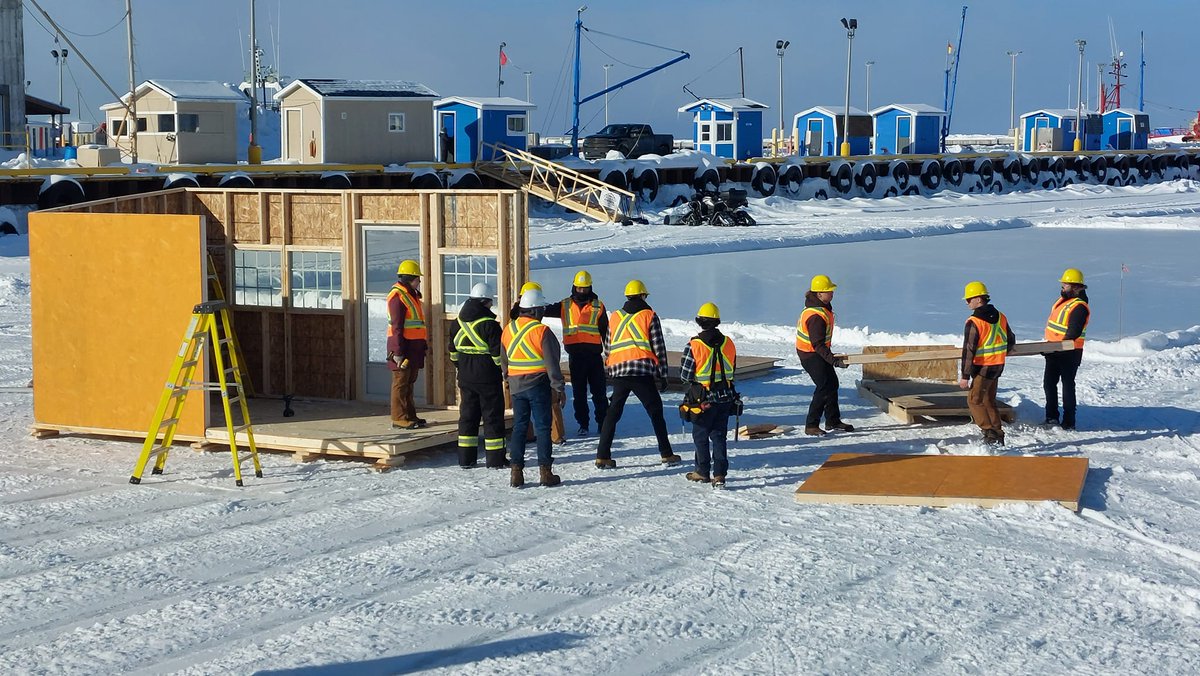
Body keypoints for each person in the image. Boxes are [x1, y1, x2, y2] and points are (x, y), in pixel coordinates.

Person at [594, 280, 680, 469]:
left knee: (613, 413)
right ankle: (666, 453)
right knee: (655, 411)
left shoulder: (615, 317)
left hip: (619, 372)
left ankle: (602, 455)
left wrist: (610, 371)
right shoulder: (649, 315)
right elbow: (659, 347)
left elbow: (607, 347)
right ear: (643, 296)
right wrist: (663, 374)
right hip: (641, 371)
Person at [502, 287, 565, 488]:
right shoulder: (541, 331)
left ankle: (516, 472)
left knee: (520, 427)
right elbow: (552, 363)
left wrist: (508, 379)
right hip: (538, 385)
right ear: (536, 310)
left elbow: (504, 360)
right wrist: (559, 387)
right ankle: (545, 472)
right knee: (543, 427)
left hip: (516, 386)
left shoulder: (508, 329)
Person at [542, 270, 609, 436]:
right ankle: (583, 424)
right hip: (576, 357)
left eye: (585, 288)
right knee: (579, 394)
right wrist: (527, 305)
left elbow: (605, 332)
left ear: (590, 288)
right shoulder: (565, 305)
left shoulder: (598, 306)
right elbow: (545, 310)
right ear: (574, 287)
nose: (582, 292)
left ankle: (603, 423)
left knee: (599, 392)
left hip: (594, 357)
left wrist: (609, 354)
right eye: (579, 288)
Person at [680, 302, 738, 489]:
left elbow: (685, 375)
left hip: (703, 400)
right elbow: (732, 369)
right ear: (717, 321)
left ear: (699, 321)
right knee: (719, 436)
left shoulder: (694, 345)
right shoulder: (729, 343)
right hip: (726, 398)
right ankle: (720, 474)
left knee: (701, 436)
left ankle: (702, 471)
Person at [449, 282, 506, 469]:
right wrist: (504, 372)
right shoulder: (490, 325)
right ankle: (496, 460)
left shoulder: (456, 324)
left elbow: (453, 353)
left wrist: (463, 367)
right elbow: (498, 356)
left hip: (465, 378)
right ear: (484, 302)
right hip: (488, 379)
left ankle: (466, 459)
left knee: (467, 417)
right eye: (490, 302)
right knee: (492, 417)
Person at [959, 281, 1016, 445]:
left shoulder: (974, 322)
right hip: (997, 367)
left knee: (974, 400)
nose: (967, 302)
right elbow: (1010, 339)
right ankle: (998, 433)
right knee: (988, 400)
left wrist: (965, 376)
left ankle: (989, 432)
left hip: (982, 369)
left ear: (978, 299)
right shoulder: (1000, 316)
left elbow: (969, 350)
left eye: (969, 299)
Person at [795, 274, 853, 436]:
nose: (832, 293)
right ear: (819, 294)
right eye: (829, 291)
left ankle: (833, 420)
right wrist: (833, 360)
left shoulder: (821, 309)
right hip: (810, 355)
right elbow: (817, 344)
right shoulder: (815, 316)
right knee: (824, 387)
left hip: (816, 352)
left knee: (832, 383)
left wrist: (830, 357)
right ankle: (811, 425)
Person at [510, 281, 566, 444]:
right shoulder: (538, 328)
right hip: (537, 374)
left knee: (522, 413)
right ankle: (556, 436)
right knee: (551, 401)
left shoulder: (512, 321)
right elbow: (551, 357)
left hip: (515, 374)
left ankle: (527, 437)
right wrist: (558, 384)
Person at [1043, 268, 1090, 430]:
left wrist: (1057, 347)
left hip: (1069, 352)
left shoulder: (1079, 307)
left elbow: (1073, 332)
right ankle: (1051, 417)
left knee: (1067, 386)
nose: (1062, 288)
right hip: (1055, 350)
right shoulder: (1064, 301)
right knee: (1049, 384)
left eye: (1065, 285)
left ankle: (1069, 421)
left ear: (1077, 287)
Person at [386, 259, 428, 429]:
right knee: (400, 382)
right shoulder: (398, 297)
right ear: (409, 278)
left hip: (413, 347)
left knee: (409, 381)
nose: (419, 281)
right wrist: (397, 352)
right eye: (417, 278)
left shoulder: (411, 295)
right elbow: (397, 327)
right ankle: (398, 417)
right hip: (402, 347)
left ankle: (410, 415)